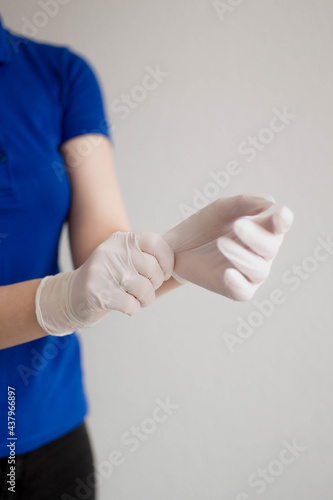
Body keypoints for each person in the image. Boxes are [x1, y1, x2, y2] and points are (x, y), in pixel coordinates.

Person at [0, 16, 293, 500]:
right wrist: (58, 299)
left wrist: (180, 255)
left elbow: (104, 253)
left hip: (53, 435)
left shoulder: (59, 74)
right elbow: (76, 291)